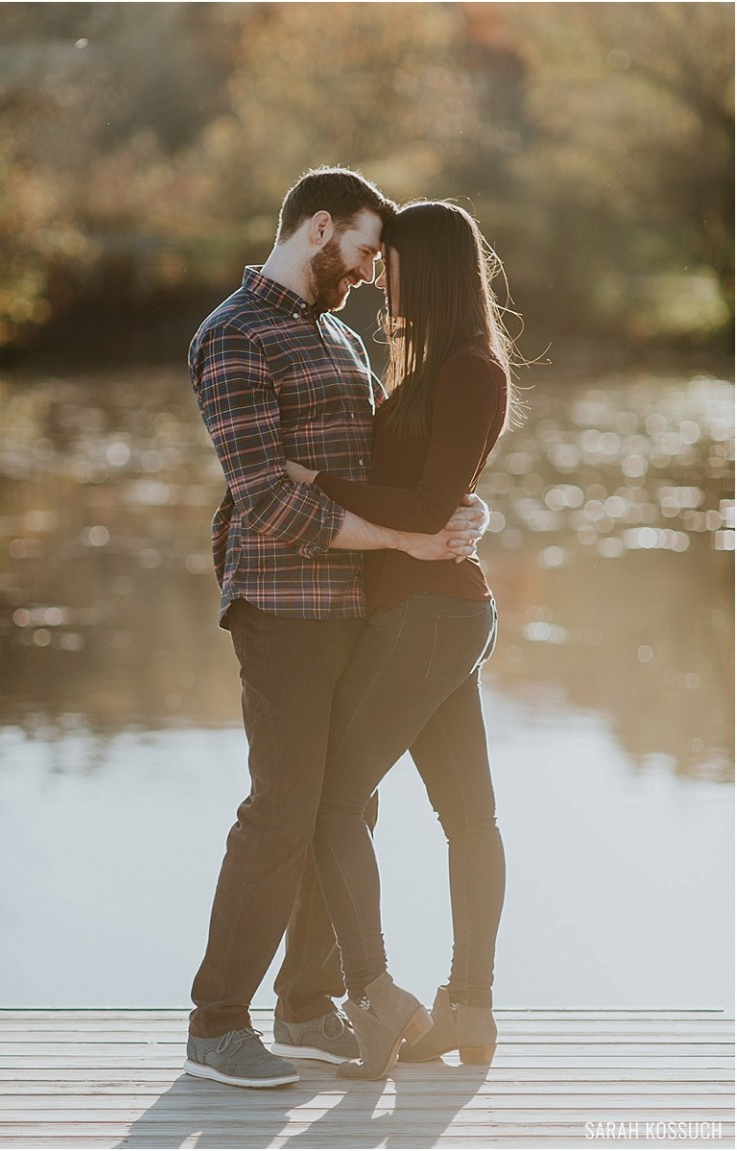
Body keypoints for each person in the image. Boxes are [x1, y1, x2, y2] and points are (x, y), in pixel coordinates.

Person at [184, 169, 488, 1089]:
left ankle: (309, 1005)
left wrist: (463, 515)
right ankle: (216, 1023)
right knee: (281, 810)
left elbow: (401, 464)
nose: (366, 275)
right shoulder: (232, 336)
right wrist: (410, 536)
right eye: (360, 253)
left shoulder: (333, 336)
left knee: (345, 806)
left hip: (359, 605)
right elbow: (269, 499)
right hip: (281, 606)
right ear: (318, 228)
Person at [285, 200, 518, 1080]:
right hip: (433, 611)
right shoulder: (437, 366)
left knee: (329, 800)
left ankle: (378, 999)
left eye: (393, 262)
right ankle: (468, 1008)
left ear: (434, 267)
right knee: (470, 816)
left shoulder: (468, 370)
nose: (380, 275)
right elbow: (432, 493)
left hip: (428, 615)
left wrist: (315, 477)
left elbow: (426, 506)